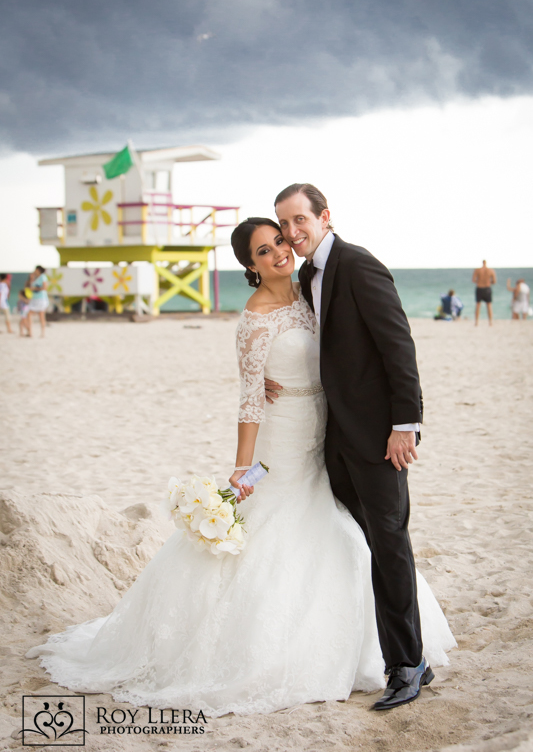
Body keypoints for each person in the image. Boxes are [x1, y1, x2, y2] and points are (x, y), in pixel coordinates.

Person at [26, 217, 456, 718]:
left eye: (280, 241)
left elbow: (351, 346)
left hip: (330, 433)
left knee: (347, 528)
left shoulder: (312, 292)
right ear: (249, 266)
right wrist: (242, 466)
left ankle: (398, 647)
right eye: (264, 250)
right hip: (285, 436)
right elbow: (250, 400)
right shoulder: (253, 319)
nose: (279, 252)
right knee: (280, 523)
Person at [268, 183, 438, 710]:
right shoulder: (304, 275)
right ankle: (403, 657)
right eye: (285, 225)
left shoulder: (358, 264)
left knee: (390, 547)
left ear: (324, 217)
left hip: (379, 438)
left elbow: (397, 344)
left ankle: (406, 666)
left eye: (300, 221)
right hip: (333, 438)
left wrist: (405, 424)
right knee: (357, 543)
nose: (293, 234)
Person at [472, 260, 496, 326]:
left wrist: (479, 280)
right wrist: (488, 281)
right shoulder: (491, 270)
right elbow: (494, 281)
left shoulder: (477, 270)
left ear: (482, 263)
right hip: (487, 288)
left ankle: (476, 322)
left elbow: (473, 280)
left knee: (478, 306)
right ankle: (490, 322)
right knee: (489, 306)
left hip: (479, 288)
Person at [28, 265, 49, 338]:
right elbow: (30, 287)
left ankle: (42, 333)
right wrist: (31, 279)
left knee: (41, 315)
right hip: (34, 298)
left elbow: (45, 287)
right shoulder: (34, 278)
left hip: (41, 299)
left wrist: (35, 288)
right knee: (29, 314)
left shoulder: (43, 277)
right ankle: (30, 332)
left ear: (38, 270)